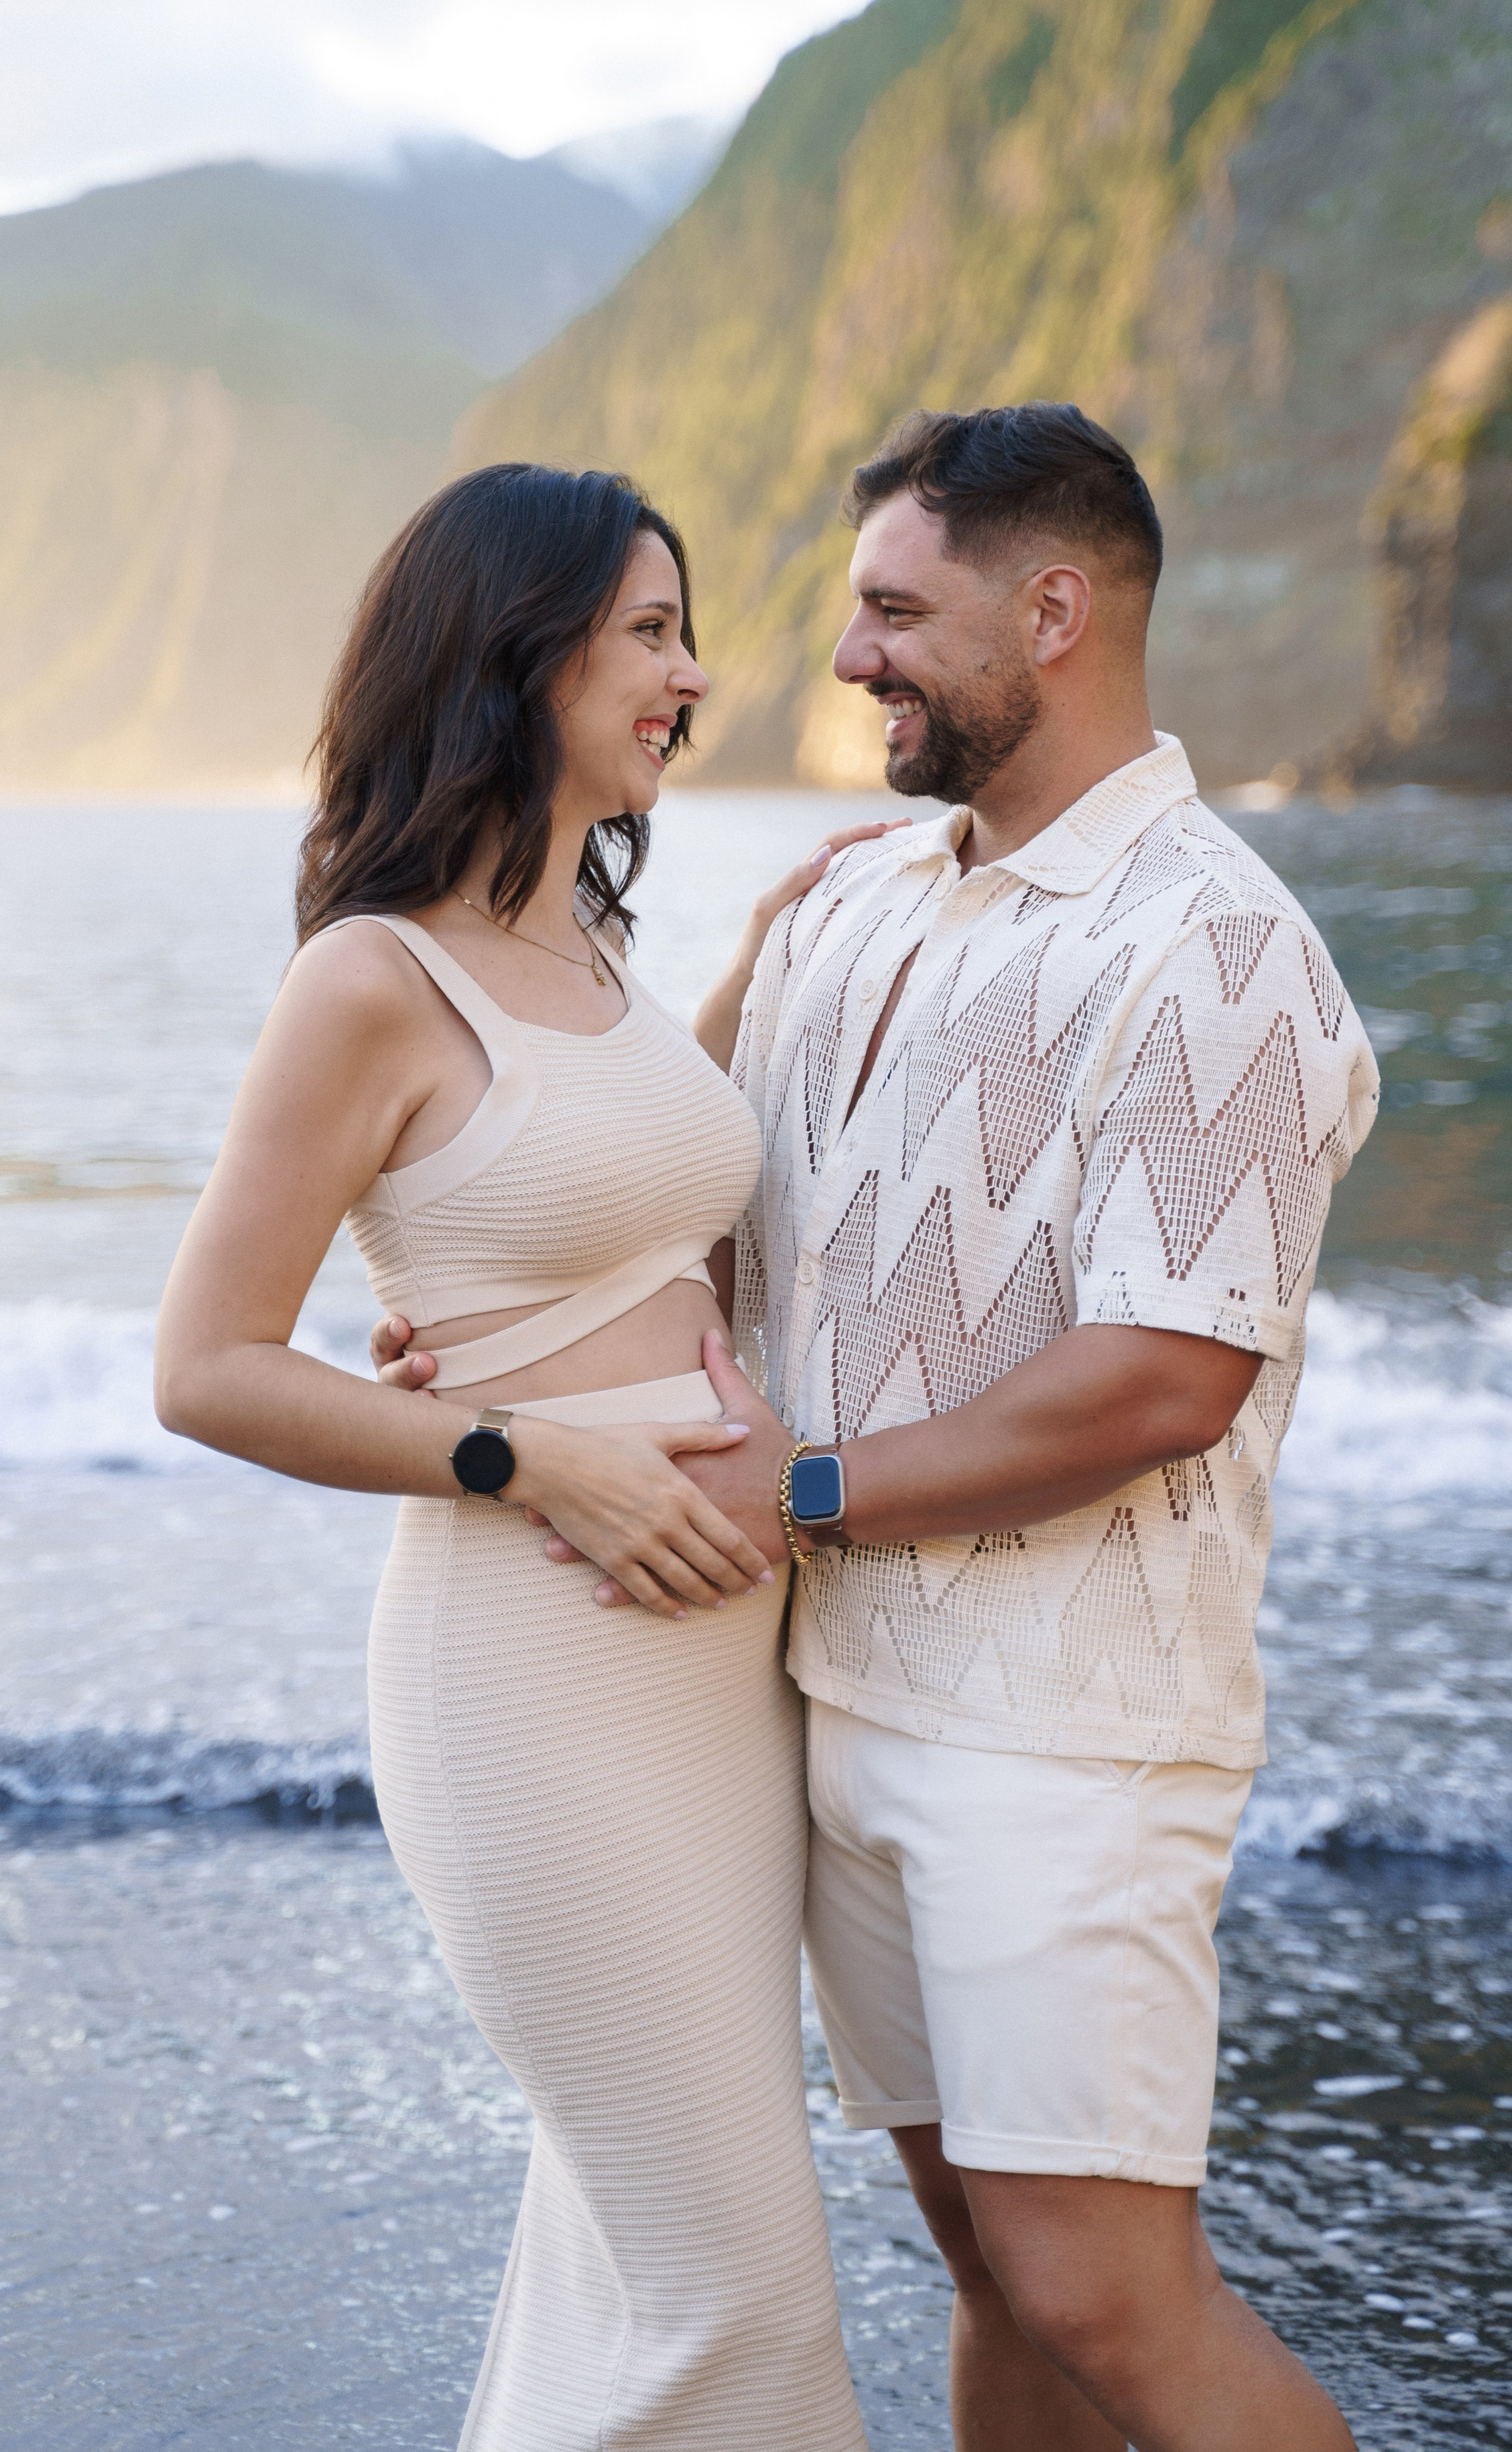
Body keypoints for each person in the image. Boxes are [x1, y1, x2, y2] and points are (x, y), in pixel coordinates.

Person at [404, 403, 1379, 2451]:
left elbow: (1167, 1372)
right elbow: (721, 1223)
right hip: (829, 1701)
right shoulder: (850, 909)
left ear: (1055, 612)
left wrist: (810, 1488)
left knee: (1109, 2294)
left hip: (1065, 1729)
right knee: (990, 2267)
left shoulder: (1216, 948)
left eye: (895, 613)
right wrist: (520, 1338)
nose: (848, 658)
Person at [154, 461, 890, 2451]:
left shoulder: (590, 950)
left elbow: (619, 1189)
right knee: (737, 2293)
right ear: (517, 651)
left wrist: (759, 970)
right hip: (535, 1661)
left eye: (684, 633)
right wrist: (528, 1457)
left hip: (716, 1667)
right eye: (649, 633)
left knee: (618, 2264)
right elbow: (205, 1369)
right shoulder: (369, 978)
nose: (693, 676)